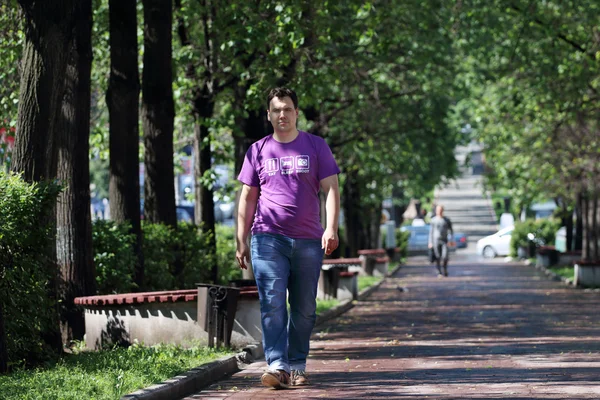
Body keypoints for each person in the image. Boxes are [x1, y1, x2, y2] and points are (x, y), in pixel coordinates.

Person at [236, 87, 340, 389]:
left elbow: (331, 188)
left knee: (305, 307)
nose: (283, 114)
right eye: (277, 109)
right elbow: (247, 198)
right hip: (267, 239)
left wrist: (330, 227)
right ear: (269, 115)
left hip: (308, 240)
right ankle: (277, 364)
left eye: (288, 109)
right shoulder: (257, 150)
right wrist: (241, 239)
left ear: (296, 113)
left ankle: (297, 363)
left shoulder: (316, 146)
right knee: (272, 303)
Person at [428, 204, 454, 277]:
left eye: (440, 210)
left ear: (442, 211)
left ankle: (445, 269)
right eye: (437, 210)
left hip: (444, 240)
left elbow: (451, 231)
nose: (439, 211)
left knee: (445, 256)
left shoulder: (446, 220)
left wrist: (451, 240)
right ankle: (439, 271)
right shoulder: (433, 220)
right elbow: (431, 232)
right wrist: (430, 242)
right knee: (437, 256)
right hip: (435, 240)